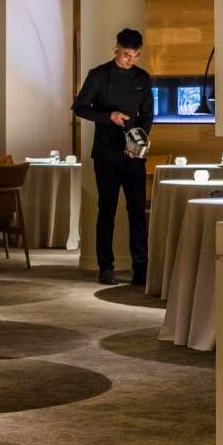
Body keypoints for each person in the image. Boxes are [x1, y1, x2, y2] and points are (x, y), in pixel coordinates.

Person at [72, 28, 153, 285]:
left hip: (134, 155)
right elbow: (79, 108)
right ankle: (106, 267)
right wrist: (109, 116)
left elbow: (147, 115)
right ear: (116, 49)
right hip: (106, 153)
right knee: (106, 209)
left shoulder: (143, 78)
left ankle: (141, 269)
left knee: (137, 211)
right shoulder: (98, 75)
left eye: (136, 56)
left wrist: (139, 141)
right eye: (127, 55)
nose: (131, 60)